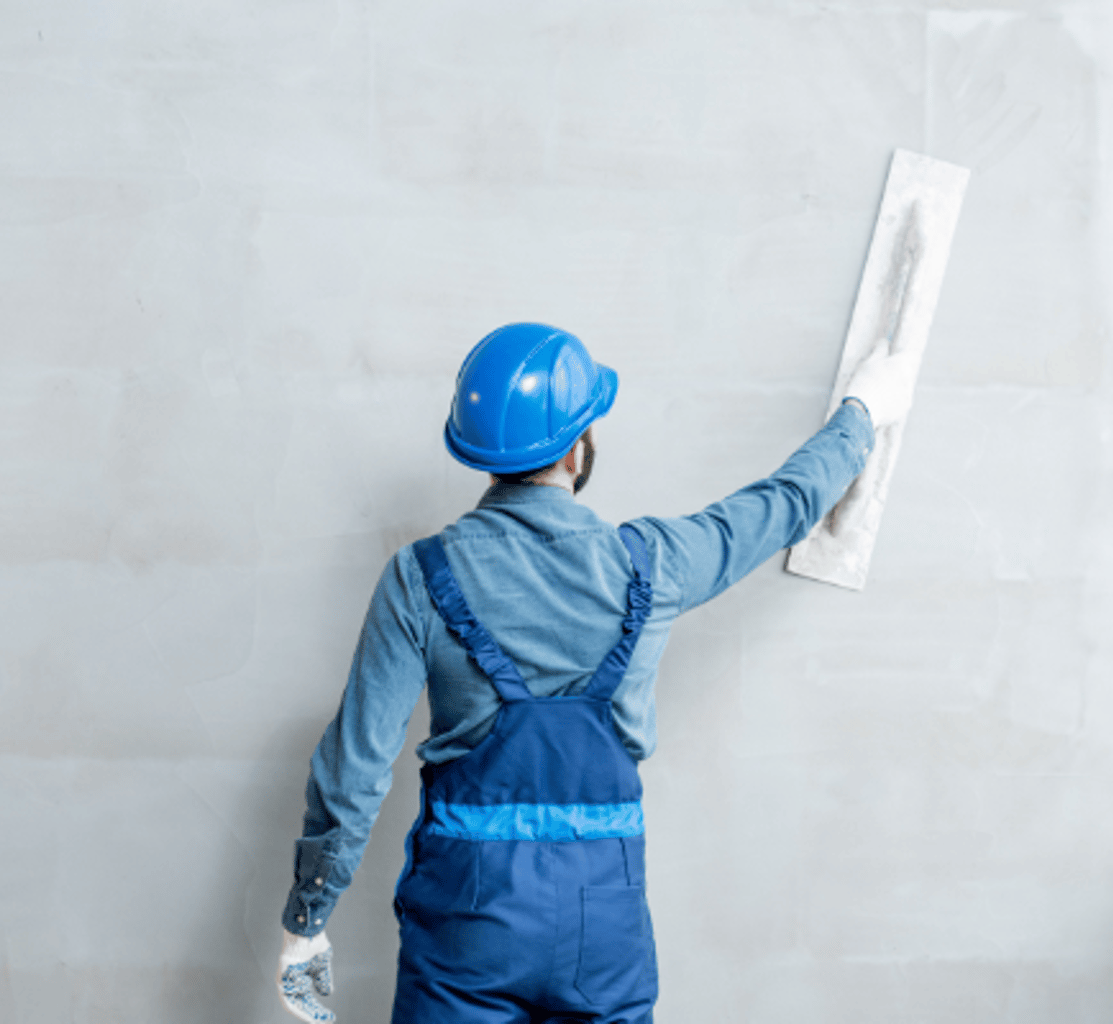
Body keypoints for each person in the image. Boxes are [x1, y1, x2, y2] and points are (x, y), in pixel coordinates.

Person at [276, 323, 921, 1024]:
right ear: (579, 444)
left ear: (478, 449)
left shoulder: (420, 576)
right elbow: (782, 505)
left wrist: (306, 919)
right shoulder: (653, 563)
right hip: (602, 930)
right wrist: (861, 413)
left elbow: (355, 767)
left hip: (469, 927)